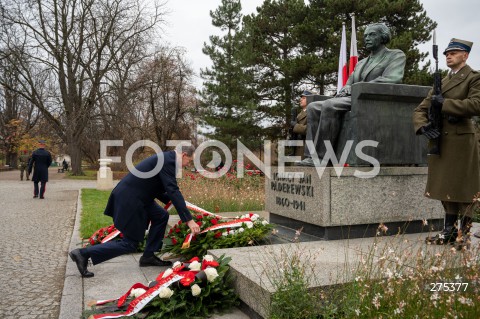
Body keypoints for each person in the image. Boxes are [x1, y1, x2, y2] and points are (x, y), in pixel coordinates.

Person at [69, 146, 201, 278]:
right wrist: (189, 220)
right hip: (131, 199)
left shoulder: (166, 158)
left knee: (161, 216)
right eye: (189, 161)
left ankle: (148, 256)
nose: (188, 164)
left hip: (139, 197)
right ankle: (83, 254)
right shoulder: (168, 161)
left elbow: (157, 186)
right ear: (184, 155)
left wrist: (177, 203)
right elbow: (172, 190)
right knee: (130, 243)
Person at [296, 23, 406, 166]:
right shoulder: (361, 63)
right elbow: (350, 81)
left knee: (329, 105)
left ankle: (322, 158)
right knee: (313, 107)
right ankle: (311, 156)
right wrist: (347, 87)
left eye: (372, 35)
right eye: (365, 35)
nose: (367, 38)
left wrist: (355, 88)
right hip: (353, 98)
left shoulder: (395, 55)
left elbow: (393, 78)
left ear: (383, 37)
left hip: (373, 99)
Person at [413, 38, 480, 249]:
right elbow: (420, 109)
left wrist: (445, 104)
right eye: (446, 54)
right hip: (441, 140)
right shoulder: (441, 82)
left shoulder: (474, 77)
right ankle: (449, 231)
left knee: (465, 188)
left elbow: (476, 104)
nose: (448, 56)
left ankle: (464, 234)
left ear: (465, 55)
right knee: (446, 187)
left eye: (454, 52)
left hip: (462, 140)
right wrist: (423, 126)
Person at [290, 90, 312, 158]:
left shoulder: (312, 113)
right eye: (301, 98)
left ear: (310, 99)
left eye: (303, 98)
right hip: (298, 147)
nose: (300, 100)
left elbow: (310, 129)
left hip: (306, 148)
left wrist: (295, 126)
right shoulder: (299, 114)